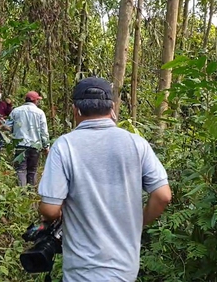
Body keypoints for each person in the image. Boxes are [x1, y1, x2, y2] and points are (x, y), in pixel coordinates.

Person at [37, 77, 172, 282]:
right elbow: (163, 196)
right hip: (125, 268)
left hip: (82, 270)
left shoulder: (65, 146)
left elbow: (50, 209)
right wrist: (139, 223)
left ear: (76, 110)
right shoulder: (136, 143)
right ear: (112, 108)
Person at [4, 91, 50, 187]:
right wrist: (46, 146)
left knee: (20, 170)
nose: (38, 102)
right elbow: (44, 132)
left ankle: (21, 194)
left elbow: (7, 127)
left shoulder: (16, 111)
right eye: (38, 100)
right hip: (35, 145)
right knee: (32, 171)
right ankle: (30, 195)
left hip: (20, 145)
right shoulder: (40, 113)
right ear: (34, 100)